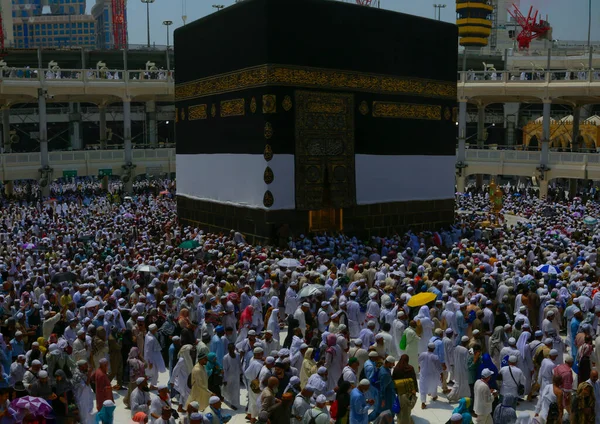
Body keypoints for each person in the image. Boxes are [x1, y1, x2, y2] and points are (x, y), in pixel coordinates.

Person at [392, 354, 418, 424]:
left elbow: (393, 379)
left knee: (400, 404)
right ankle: (406, 417)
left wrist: (395, 389)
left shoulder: (397, 368)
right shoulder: (410, 368)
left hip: (400, 391)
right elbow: (413, 379)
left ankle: (400, 416)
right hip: (409, 390)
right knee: (408, 405)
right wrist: (415, 389)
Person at [418, 343, 442, 409]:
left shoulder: (422, 354)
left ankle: (423, 403)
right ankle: (434, 396)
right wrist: (441, 374)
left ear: (427, 347)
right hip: (432, 375)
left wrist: (420, 368)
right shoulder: (435, 357)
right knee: (433, 385)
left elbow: (418, 361)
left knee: (423, 387)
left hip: (424, 374)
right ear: (434, 349)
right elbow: (439, 368)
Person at [448, 336, 471, 402]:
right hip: (463, 370)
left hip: (457, 368)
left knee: (459, 383)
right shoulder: (465, 350)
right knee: (459, 384)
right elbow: (467, 361)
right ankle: (450, 396)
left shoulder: (457, 348)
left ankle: (463, 396)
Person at [222, 342, 241, 410]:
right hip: (229, 377)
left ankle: (235, 403)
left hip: (236, 376)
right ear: (228, 349)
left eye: (232, 349)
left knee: (236, 391)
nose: (231, 350)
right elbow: (225, 369)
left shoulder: (238, 355)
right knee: (229, 390)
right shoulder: (225, 357)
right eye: (230, 349)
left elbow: (239, 364)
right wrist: (225, 379)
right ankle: (231, 403)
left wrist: (241, 373)